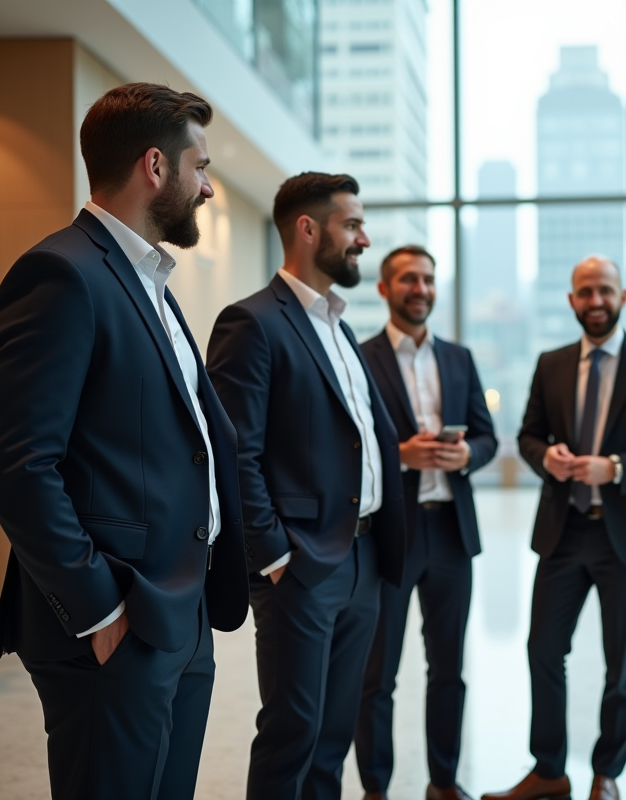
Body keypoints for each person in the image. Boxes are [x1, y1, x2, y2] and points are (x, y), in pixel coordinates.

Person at [0, 83, 249, 800]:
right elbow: (18, 465)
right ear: (155, 168)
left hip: (181, 614)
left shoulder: (149, 280)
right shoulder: (61, 274)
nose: (209, 187)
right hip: (117, 621)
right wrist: (100, 610)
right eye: (201, 166)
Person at [206, 172, 407, 800]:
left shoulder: (341, 327)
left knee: (333, 733)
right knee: (293, 729)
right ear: (308, 228)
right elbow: (235, 452)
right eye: (353, 225)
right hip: (301, 566)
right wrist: (274, 556)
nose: (363, 239)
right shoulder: (252, 323)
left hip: (364, 560)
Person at [485, 257, 626, 800]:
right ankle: (549, 770)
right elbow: (527, 434)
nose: (595, 300)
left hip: (625, 536)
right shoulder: (550, 364)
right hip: (563, 530)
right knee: (544, 650)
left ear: (622, 296)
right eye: (584, 292)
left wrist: (615, 469)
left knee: (621, 663)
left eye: (604, 290)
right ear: (571, 300)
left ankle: (607, 773)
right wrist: (544, 457)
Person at [355, 245, 499, 800]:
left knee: (449, 671)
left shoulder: (460, 358)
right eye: (409, 279)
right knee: (378, 675)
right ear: (386, 289)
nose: (421, 288)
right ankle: (375, 789)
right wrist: (399, 454)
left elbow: (486, 434)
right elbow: (352, 442)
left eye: (429, 279)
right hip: (392, 534)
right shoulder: (361, 355)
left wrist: (469, 457)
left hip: (452, 533)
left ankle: (443, 782)